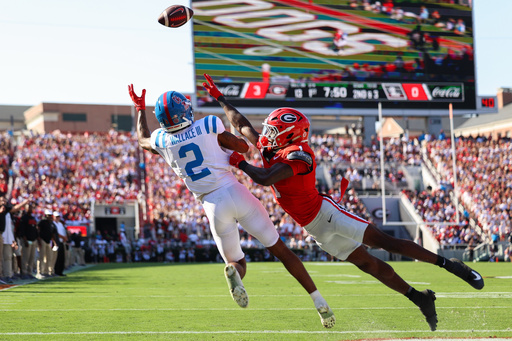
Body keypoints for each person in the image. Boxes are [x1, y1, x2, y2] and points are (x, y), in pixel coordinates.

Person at [202, 73, 485, 331]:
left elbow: (264, 178)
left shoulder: (299, 155)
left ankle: (452, 266)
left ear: (289, 134)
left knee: (384, 241)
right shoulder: (271, 144)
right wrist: (219, 97)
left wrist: (238, 160)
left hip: (327, 214)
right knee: (368, 264)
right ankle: (420, 299)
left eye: (274, 131)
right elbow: (240, 124)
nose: (267, 136)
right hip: (313, 228)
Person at [128, 84, 335, 328]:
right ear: (183, 110)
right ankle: (319, 301)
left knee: (237, 262)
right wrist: (225, 146)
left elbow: (142, 139)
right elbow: (243, 147)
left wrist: (139, 108)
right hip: (235, 192)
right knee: (281, 250)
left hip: (211, 205)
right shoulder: (207, 124)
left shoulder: (161, 140)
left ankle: (233, 272)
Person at [18, 203, 38, 279]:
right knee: (25, 257)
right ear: (25, 209)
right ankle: (24, 272)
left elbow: (35, 229)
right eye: (29, 208)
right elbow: (22, 230)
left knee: (31, 258)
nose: (30, 209)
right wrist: (25, 240)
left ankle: (30, 272)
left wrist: (36, 238)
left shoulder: (33, 218)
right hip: (27, 240)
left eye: (31, 208)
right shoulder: (24, 218)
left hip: (33, 240)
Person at [52, 211, 67, 276]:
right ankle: (56, 271)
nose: (58, 218)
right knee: (56, 258)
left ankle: (60, 271)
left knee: (62, 257)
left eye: (58, 216)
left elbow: (64, 232)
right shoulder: (53, 223)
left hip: (62, 242)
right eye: (56, 216)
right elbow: (55, 233)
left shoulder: (60, 224)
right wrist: (63, 237)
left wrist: (65, 238)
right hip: (56, 242)